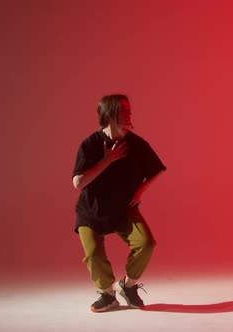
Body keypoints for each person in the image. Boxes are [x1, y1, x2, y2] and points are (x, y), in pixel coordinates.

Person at [72, 94, 166, 312]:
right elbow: (78, 182)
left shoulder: (136, 143)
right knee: (94, 256)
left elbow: (158, 169)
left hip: (123, 209)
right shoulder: (90, 144)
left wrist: (141, 190)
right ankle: (108, 295)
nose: (128, 113)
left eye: (128, 109)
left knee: (146, 244)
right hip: (91, 211)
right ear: (109, 113)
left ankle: (128, 286)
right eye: (123, 110)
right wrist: (108, 160)